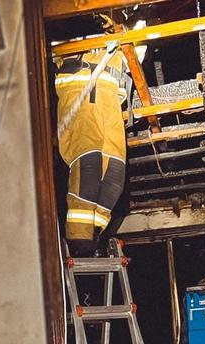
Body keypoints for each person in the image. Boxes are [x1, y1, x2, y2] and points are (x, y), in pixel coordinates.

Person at [54, 15, 128, 257]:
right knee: (89, 163)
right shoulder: (79, 12)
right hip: (79, 85)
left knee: (114, 172)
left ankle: (95, 231)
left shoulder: (120, 16)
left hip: (109, 96)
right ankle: (79, 238)